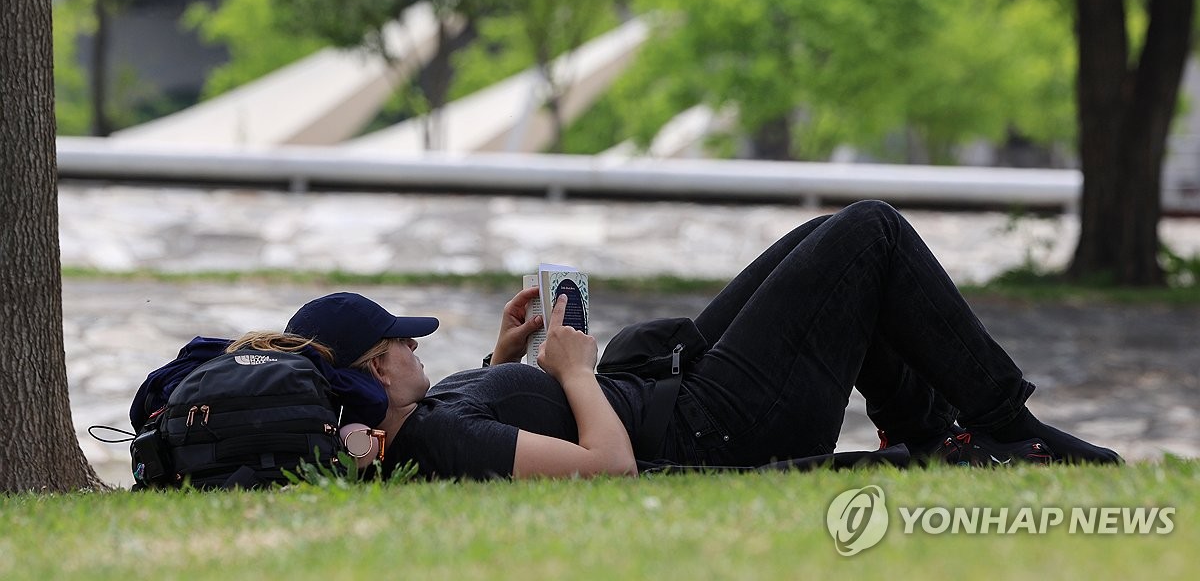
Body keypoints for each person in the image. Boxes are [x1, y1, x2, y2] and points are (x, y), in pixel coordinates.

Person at [284, 200, 1122, 480]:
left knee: (824, 243)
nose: (415, 349)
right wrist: (574, 374)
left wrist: (504, 359)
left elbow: (496, 426)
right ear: (375, 369)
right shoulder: (434, 440)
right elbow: (608, 470)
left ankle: (936, 434)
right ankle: (1009, 429)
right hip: (714, 426)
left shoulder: (416, 425)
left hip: (676, 388)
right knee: (868, 238)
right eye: (403, 344)